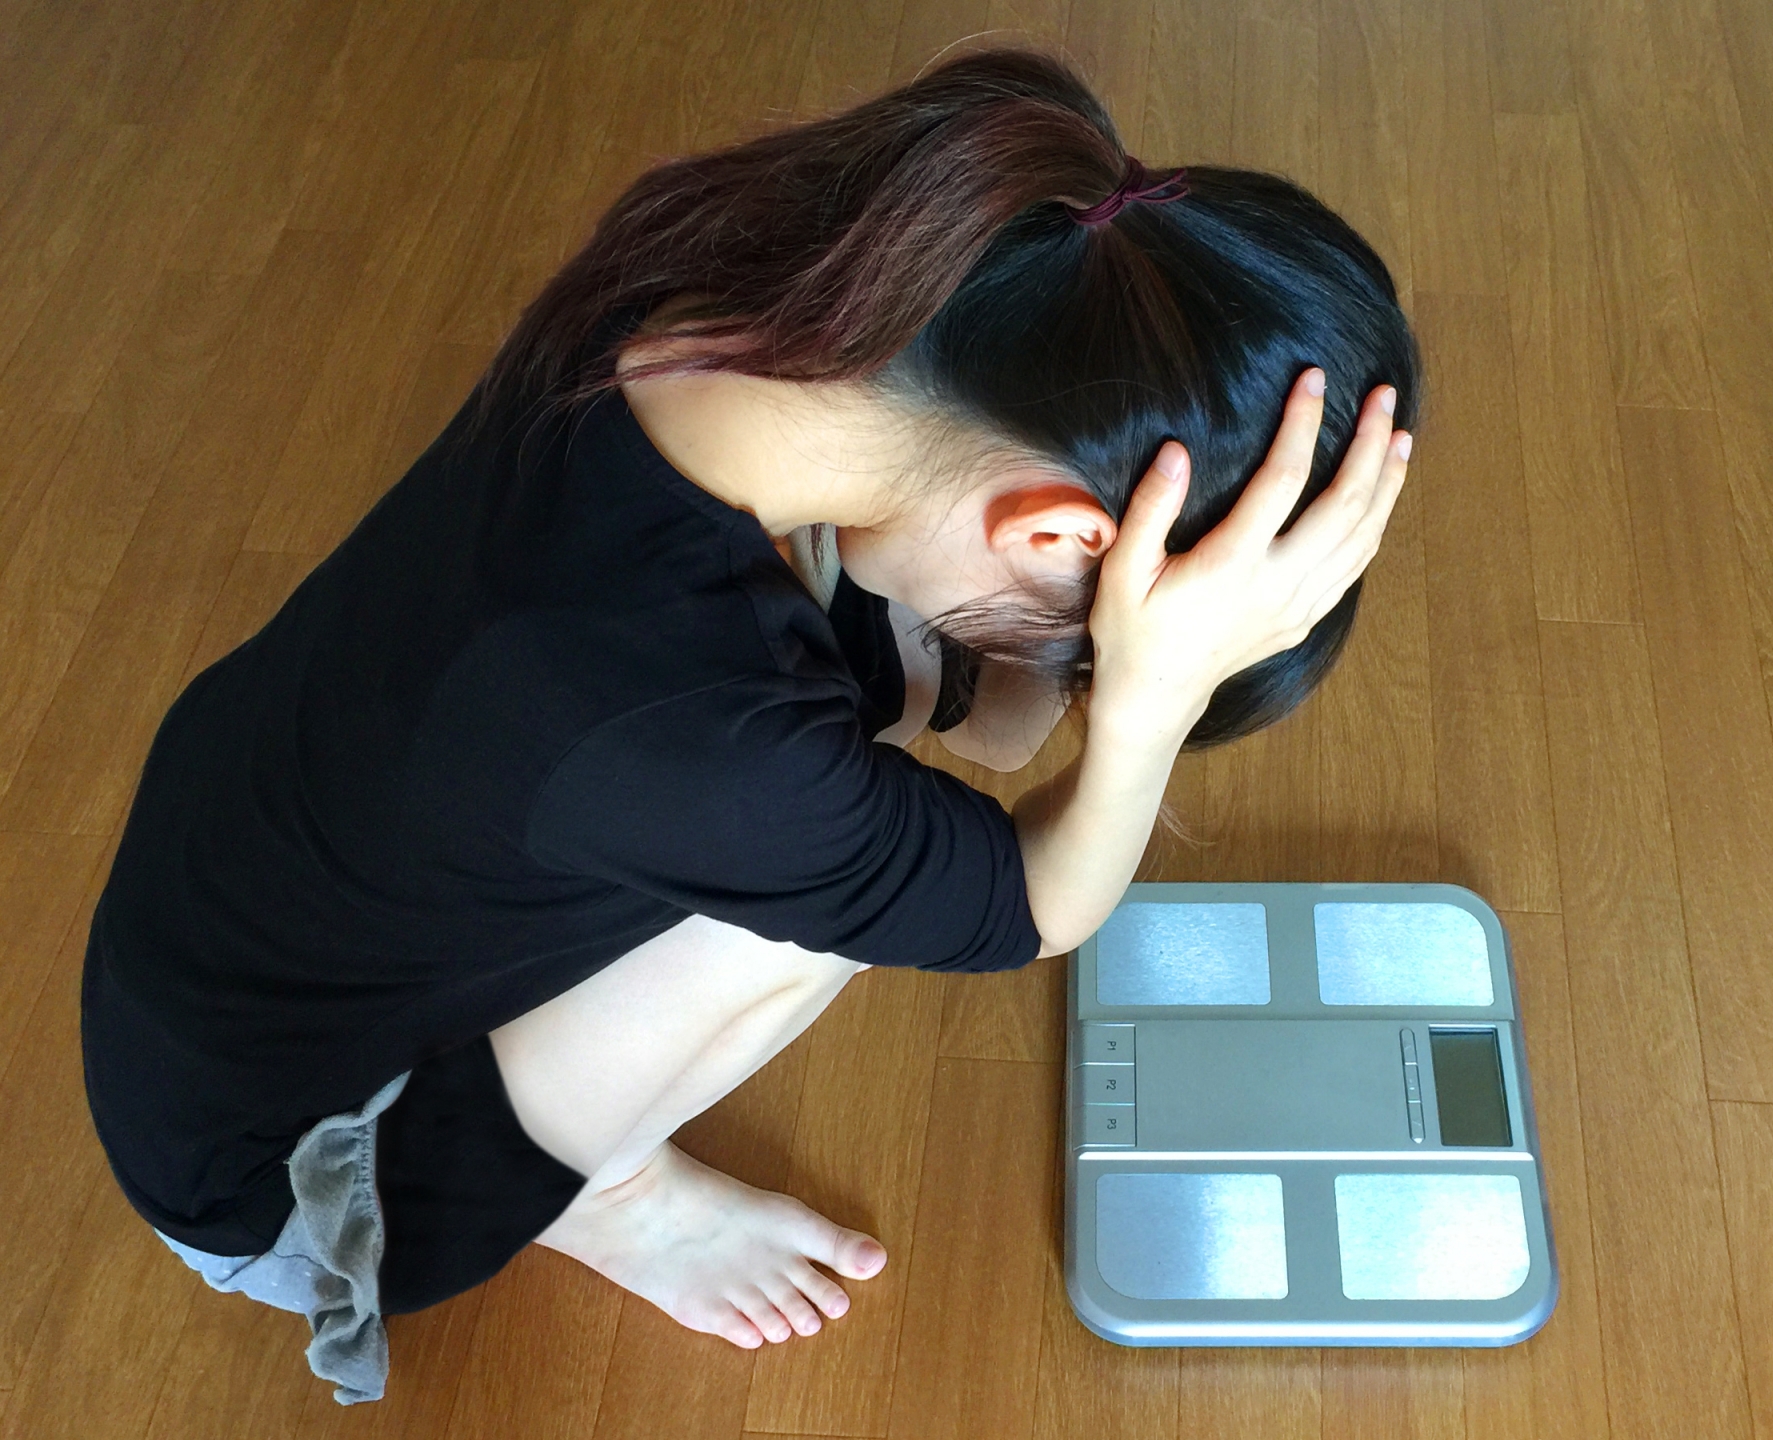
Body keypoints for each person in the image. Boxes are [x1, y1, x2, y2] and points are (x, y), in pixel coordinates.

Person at [79, 48, 1419, 1402]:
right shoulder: (709, 748)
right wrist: (1151, 698)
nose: (1066, 676)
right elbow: (1039, 904)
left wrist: (1083, 621)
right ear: (1057, 534)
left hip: (223, 927)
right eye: (1075, 642)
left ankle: (587, 1150)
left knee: (882, 682)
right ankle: (610, 1196)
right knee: (799, 917)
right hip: (295, 1177)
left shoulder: (725, 303)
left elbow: (994, 729)